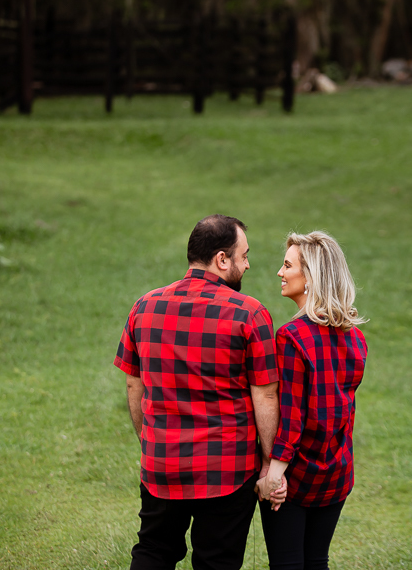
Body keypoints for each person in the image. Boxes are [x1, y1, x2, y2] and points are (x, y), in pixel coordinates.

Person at [114, 214, 280, 570]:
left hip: (161, 465)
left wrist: (150, 441)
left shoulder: (144, 306)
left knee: (153, 550)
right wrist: (268, 463)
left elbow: (133, 382)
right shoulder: (249, 314)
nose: (248, 264)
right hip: (227, 469)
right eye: (244, 255)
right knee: (216, 562)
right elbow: (265, 395)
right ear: (222, 259)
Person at [256, 231, 368, 570]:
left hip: (296, 478)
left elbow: (292, 417)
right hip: (337, 472)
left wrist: (274, 476)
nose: (280, 271)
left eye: (287, 265)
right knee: (317, 560)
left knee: (287, 565)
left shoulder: (291, 338)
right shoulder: (356, 337)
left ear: (310, 278)